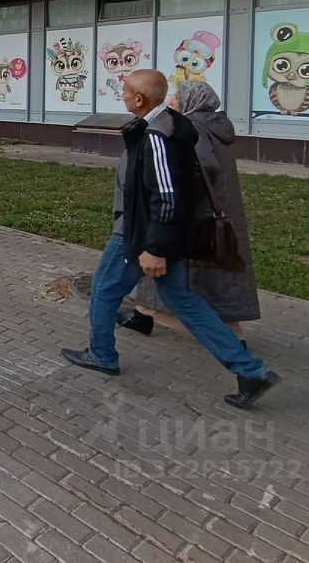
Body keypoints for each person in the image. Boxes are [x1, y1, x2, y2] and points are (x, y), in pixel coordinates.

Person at [61, 69, 280, 410]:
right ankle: (251, 371)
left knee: (104, 290)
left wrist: (154, 248)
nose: (121, 95)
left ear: (139, 99)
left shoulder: (157, 135)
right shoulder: (171, 123)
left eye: (125, 91)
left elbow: (165, 195)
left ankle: (101, 355)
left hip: (141, 234)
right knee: (182, 299)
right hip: (164, 232)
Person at [119, 82, 260, 339]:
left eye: (177, 99)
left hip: (197, 214)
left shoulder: (194, 127)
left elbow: (200, 167)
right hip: (215, 209)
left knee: (188, 272)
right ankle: (143, 313)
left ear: (192, 101)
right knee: (169, 266)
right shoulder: (215, 124)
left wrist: (172, 193)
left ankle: (232, 340)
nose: (171, 102)